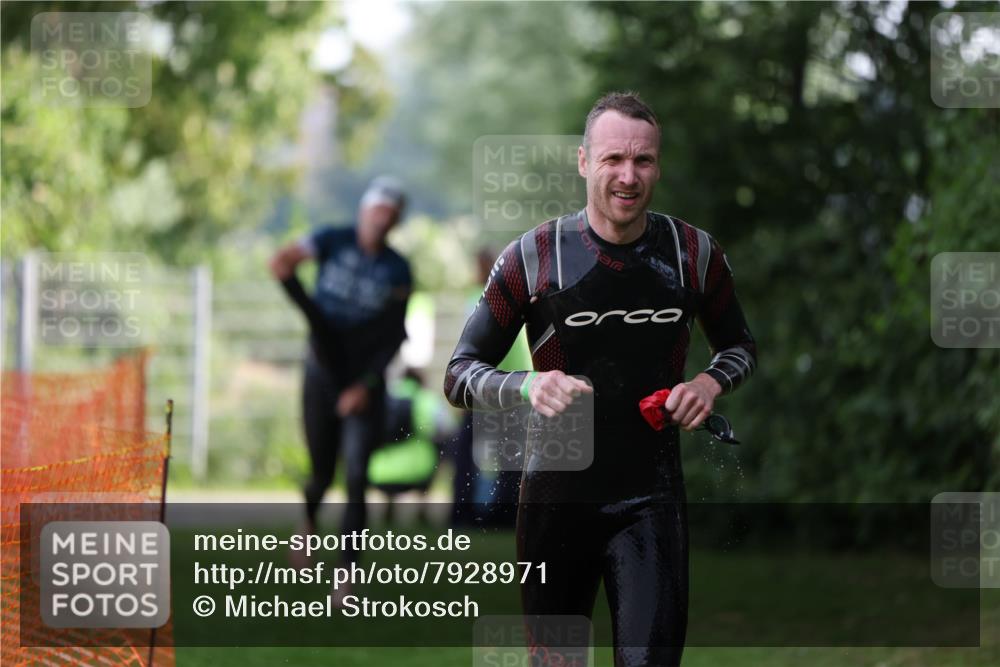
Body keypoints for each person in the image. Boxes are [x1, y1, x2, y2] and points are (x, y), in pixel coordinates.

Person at [444, 92, 756, 666]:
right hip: (556, 501)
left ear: (658, 166)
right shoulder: (535, 256)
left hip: (651, 499)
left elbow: (739, 346)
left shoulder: (692, 254)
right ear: (585, 162)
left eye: (643, 160)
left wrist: (708, 385)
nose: (628, 176)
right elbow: (459, 374)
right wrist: (528, 386)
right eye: (613, 159)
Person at [269, 176, 412, 592]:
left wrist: (365, 385)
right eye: (378, 210)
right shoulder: (332, 239)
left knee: (356, 476)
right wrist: (299, 290)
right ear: (364, 210)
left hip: (365, 381)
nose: (381, 220)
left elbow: (394, 336)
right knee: (321, 472)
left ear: (396, 222)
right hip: (321, 374)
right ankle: (308, 521)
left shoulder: (397, 269)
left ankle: (346, 573)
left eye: (390, 215)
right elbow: (281, 262)